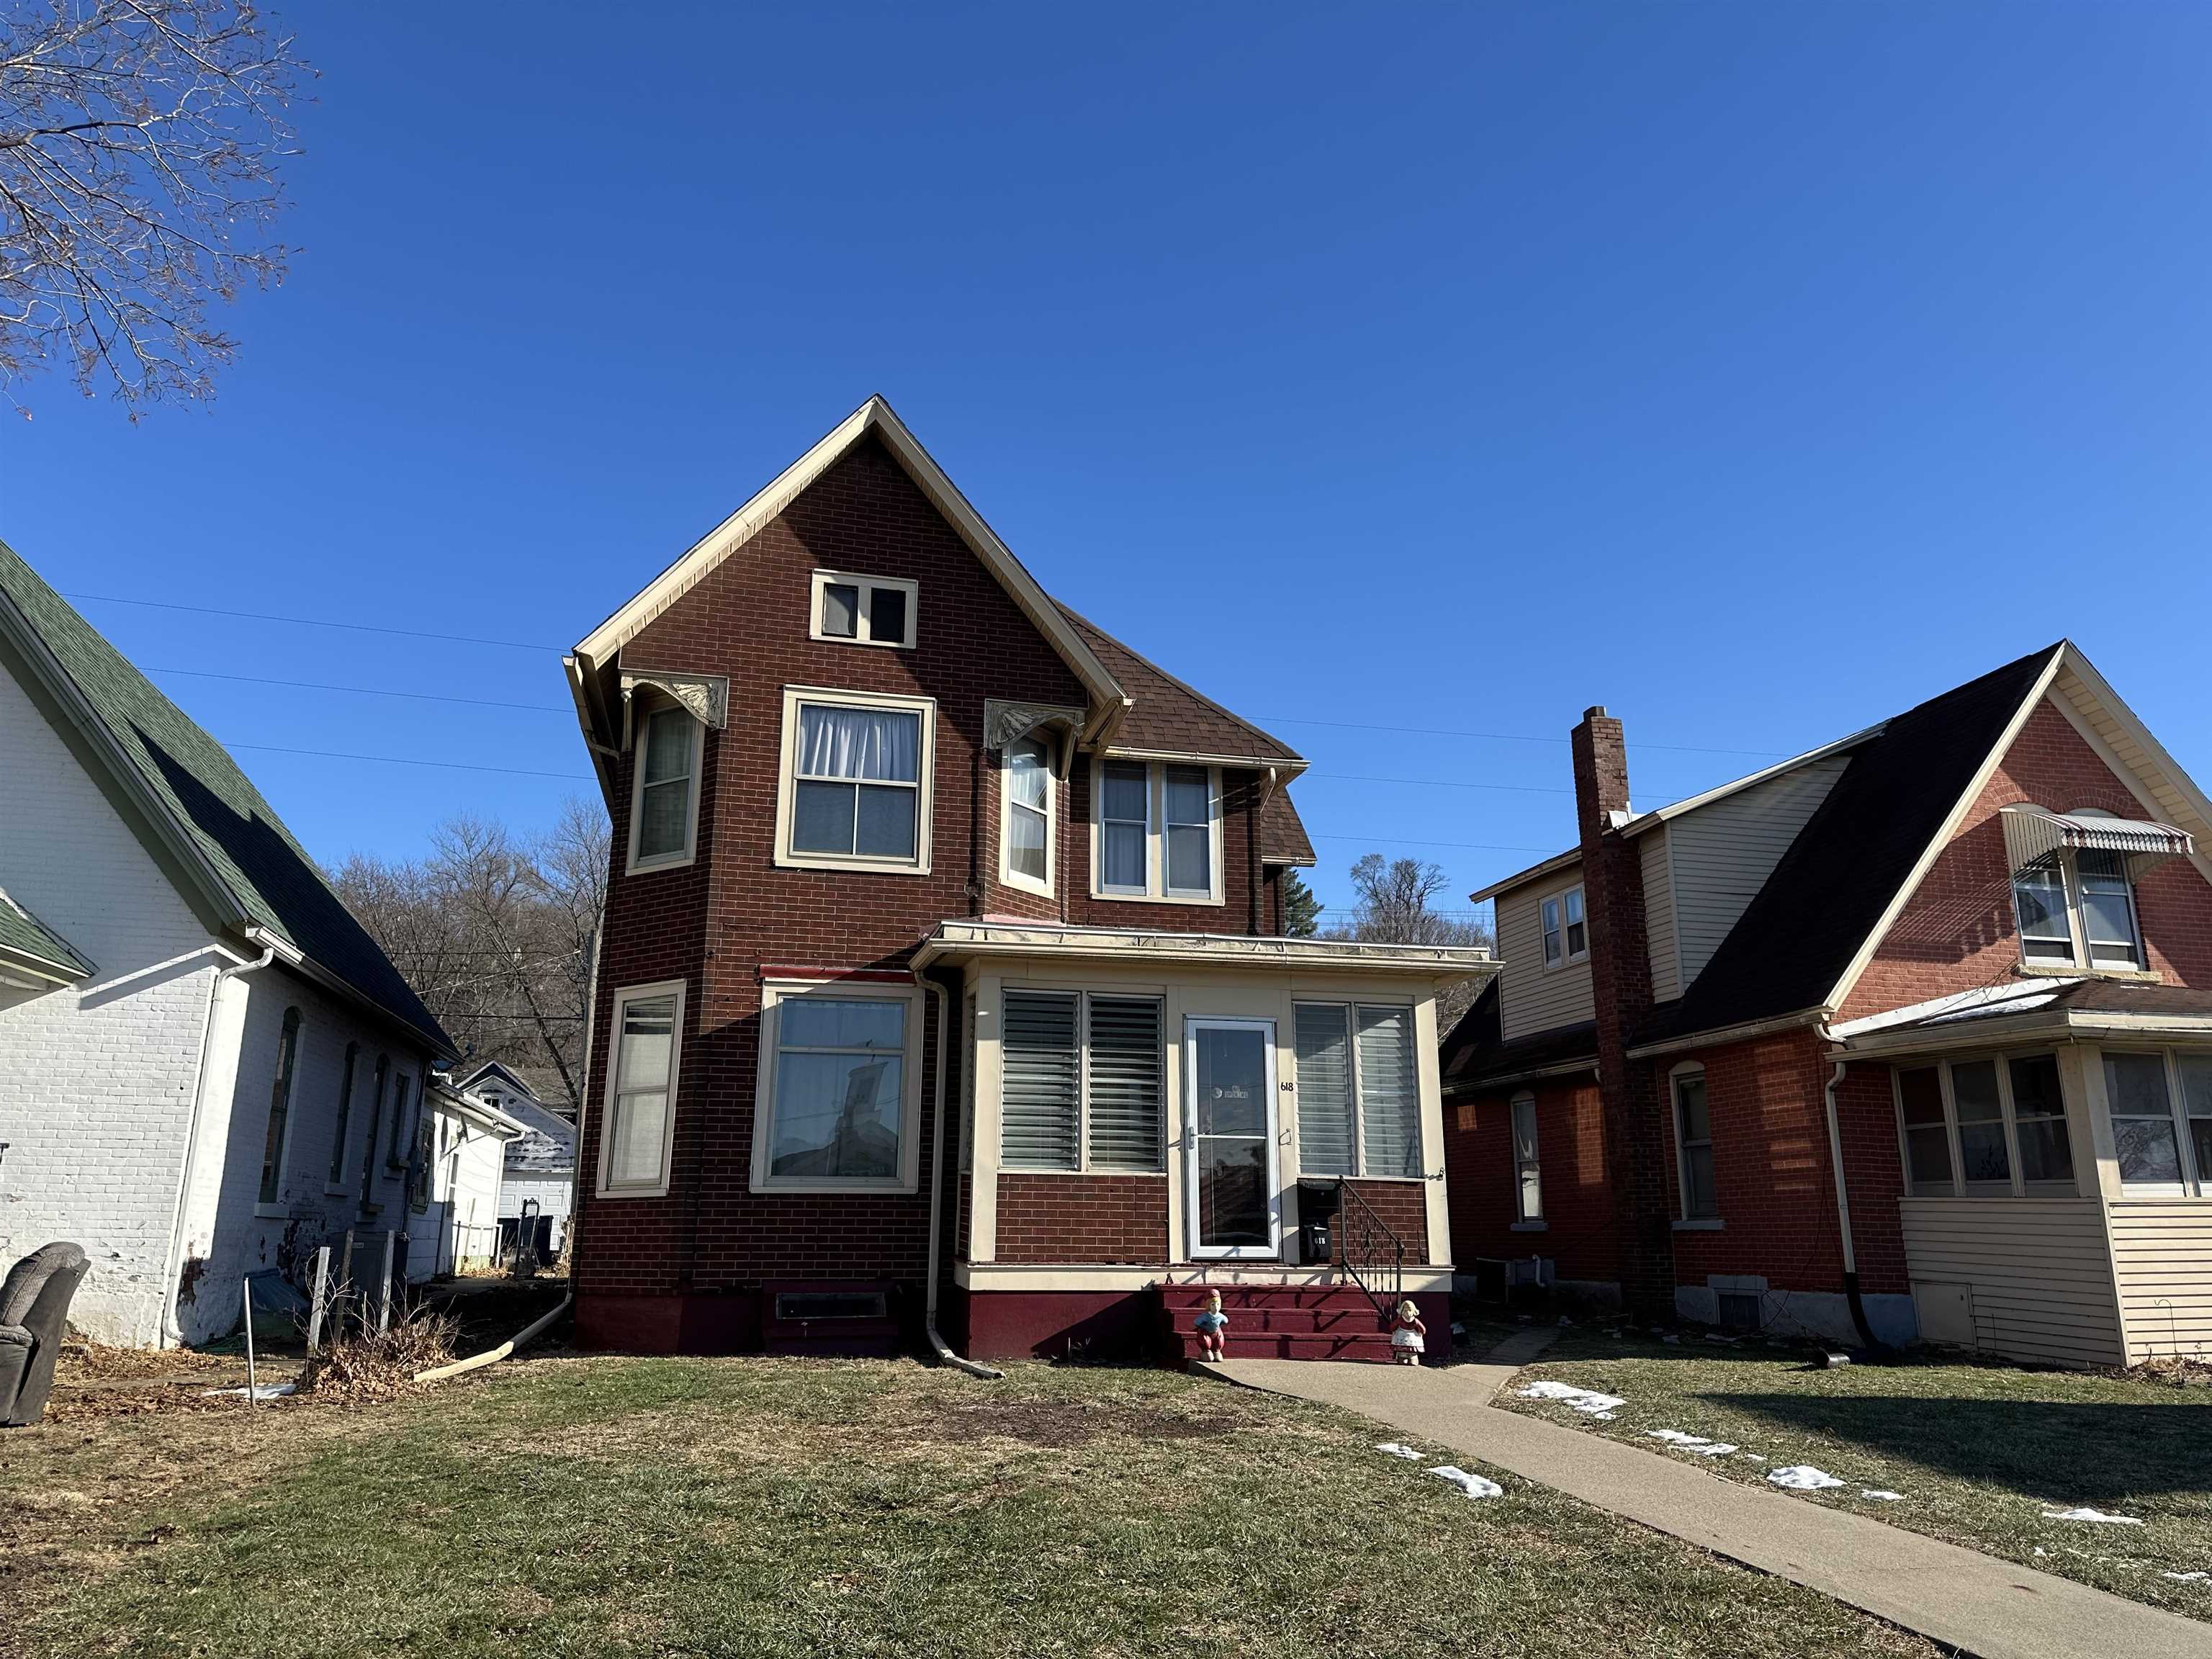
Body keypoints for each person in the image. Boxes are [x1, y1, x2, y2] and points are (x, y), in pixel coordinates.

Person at [1192, 1288, 1229, 1361]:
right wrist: (1204, 1327)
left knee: (1219, 1341)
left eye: (1218, 1304)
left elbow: (1226, 1321)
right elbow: (1197, 1322)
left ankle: (1216, 1351)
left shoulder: (1220, 1316)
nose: (1216, 1307)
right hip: (1206, 1333)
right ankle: (1206, 1351)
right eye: (1213, 1305)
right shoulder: (1206, 1316)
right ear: (1208, 1305)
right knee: (1205, 1342)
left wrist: (1218, 1326)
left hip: (1216, 1333)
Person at [1388, 1299, 1426, 1364]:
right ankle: (1402, 1356)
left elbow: (1423, 1329)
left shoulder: (1415, 1321)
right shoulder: (1400, 1320)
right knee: (1403, 1361)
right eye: (1405, 1310)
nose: (1408, 1312)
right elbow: (1392, 1327)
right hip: (1401, 1336)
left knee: (1413, 1361)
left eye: (1409, 1310)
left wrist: (1421, 1332)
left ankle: (1413, 1356)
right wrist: (1394, 1330)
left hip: (1412, 1337)